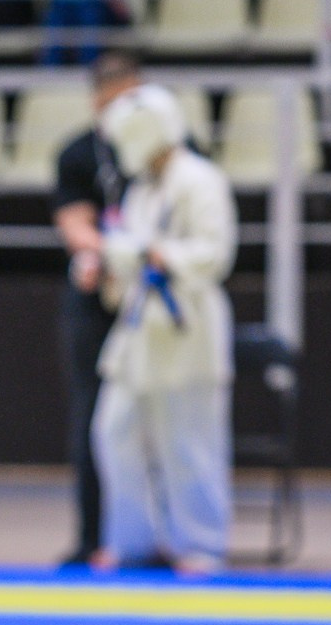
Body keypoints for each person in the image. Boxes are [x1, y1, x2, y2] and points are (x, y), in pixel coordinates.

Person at [90, 83, 236, 575]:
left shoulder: (199, 180)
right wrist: (110, 266)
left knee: (190, 442)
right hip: (138, 331)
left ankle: (202, 543)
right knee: (114, 431)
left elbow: (213, 254)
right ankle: (133, 541)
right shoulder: (142, 189)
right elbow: (125, 249)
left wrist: (157, 254)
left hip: (185, 327)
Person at [50, 49, 143, 563]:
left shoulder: (164, 151)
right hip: (95, 296)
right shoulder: (79, 154)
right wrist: (106, 253)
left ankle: (148, 537)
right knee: (92, 416)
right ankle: (91, 537)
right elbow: (75, 222)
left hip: (147, 297)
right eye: (115, 103)